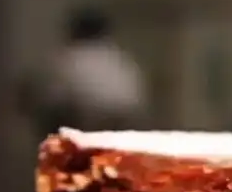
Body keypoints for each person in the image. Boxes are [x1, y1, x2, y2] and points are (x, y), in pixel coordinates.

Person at [30, 7, 148, 135]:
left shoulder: (69, 57)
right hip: (129, 119)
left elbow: (52, 96)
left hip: (89, 118)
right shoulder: (119, 57)